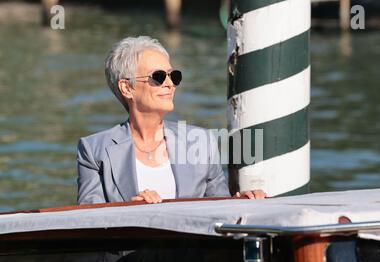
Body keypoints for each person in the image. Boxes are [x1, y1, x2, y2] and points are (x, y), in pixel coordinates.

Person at [77, 35, 267, 205]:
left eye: (174, 76)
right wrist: (129, 209)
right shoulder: (94, 150)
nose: (170, 84)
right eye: (158, 77)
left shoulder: (202, 142)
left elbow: (219, 209)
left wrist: (243, 202)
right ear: (127, 88)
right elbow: (87, 222)